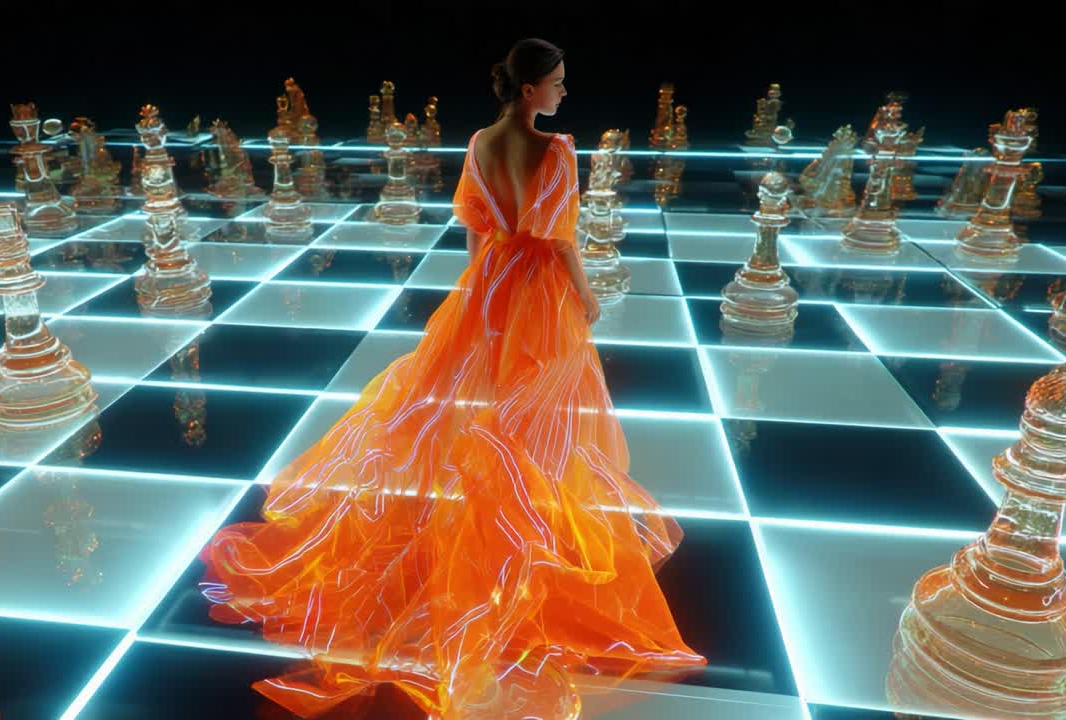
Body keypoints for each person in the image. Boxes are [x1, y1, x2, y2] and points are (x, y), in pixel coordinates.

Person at [200, 37, 705, 720]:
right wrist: (582, 297)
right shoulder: (556, 151)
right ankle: (519, 544)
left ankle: (482, 529)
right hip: (540, 292)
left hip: (489, 286)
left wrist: (474, 291)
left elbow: (475, 231)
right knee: (539, 421)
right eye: (556, 82)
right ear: (529, 89)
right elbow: (558, 239)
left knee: (459, 413)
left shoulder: (478, 142)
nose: (563, 92)